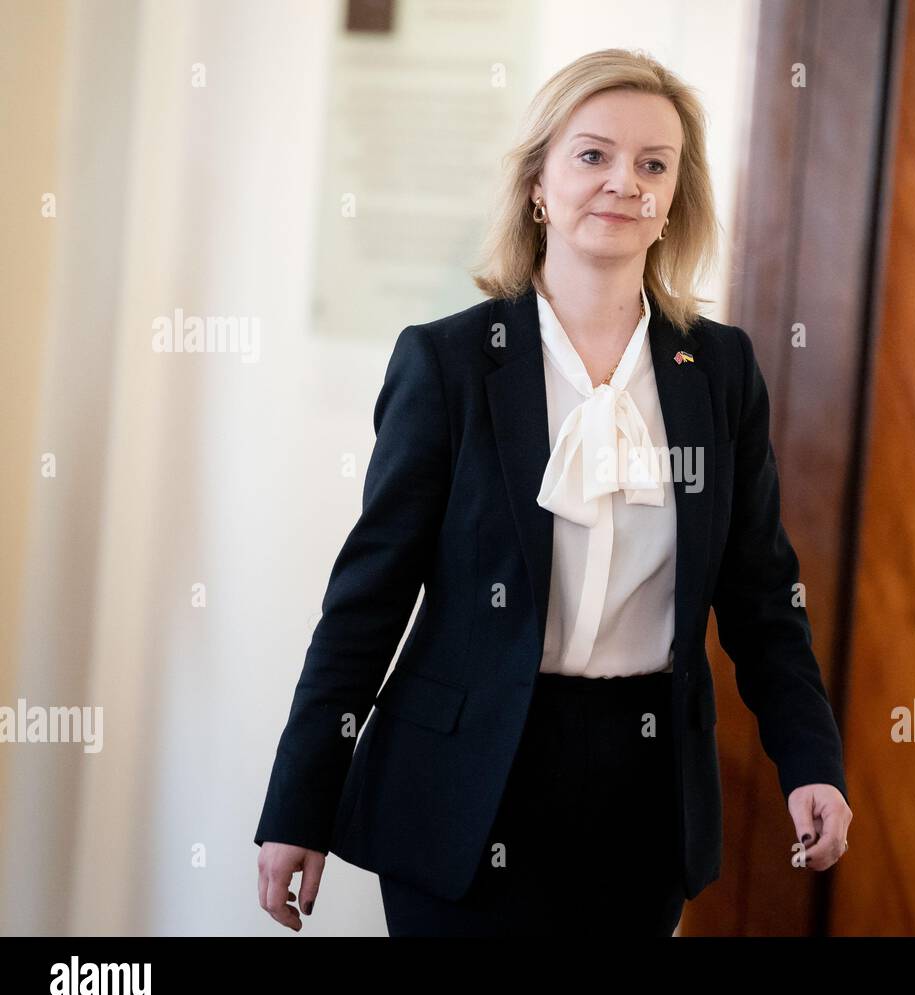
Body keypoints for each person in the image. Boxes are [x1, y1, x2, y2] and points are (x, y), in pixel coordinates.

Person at [255, 47, 851, 937]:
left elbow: (763, 595)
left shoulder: (719, 371)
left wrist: (811, 760)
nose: (624, 182)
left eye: (654, 165)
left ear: (675, 199)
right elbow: (366, 601)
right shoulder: (448, 363)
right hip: (465, 789)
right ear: (538, 182)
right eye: (592, 155)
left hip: (644, 799)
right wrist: (297, 807)